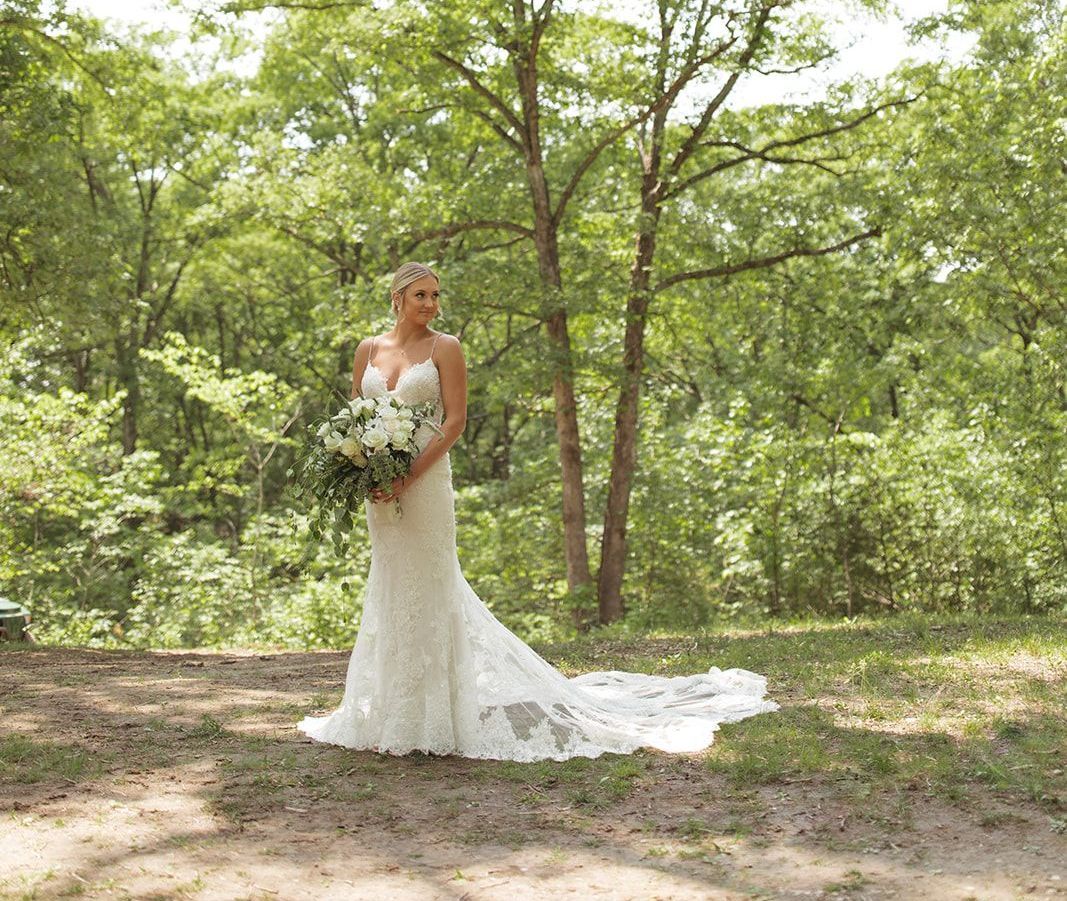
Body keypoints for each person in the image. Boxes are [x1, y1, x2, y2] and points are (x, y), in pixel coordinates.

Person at [296, 262, 780, 761]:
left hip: (425, 481)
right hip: (382, 490)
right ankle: (388, 713)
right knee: (392, 586)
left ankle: (432, 716)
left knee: (431, 586)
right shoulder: (368, 349)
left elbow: (456, 421)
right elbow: (355, 417)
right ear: (397, 297)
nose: (431, 305)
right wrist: (366, 474)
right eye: (421, 295)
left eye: (436, 295)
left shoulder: (447, 348)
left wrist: (408, 474)